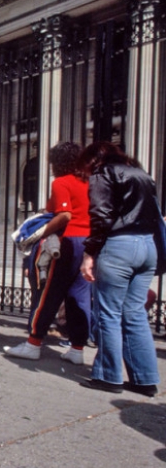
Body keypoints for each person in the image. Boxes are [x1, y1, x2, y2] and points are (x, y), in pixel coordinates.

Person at [79, 142, 160, 396]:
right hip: (147, 245)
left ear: (93, 160)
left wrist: (89, 253)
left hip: (118, 246)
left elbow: (101, 216)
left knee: (108, 313)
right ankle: (145, 379)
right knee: (135, 313)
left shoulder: (103, 172)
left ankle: (108, 375)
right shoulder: (141, 173)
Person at [4, 142, 91, 363]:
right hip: (89, 242)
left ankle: (33, 343)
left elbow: (65, 215)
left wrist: (40, 233)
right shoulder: (89, 181)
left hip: (67, 241)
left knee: (48, 293)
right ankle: (77, 348)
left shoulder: (61, 182)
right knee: (79, 296)